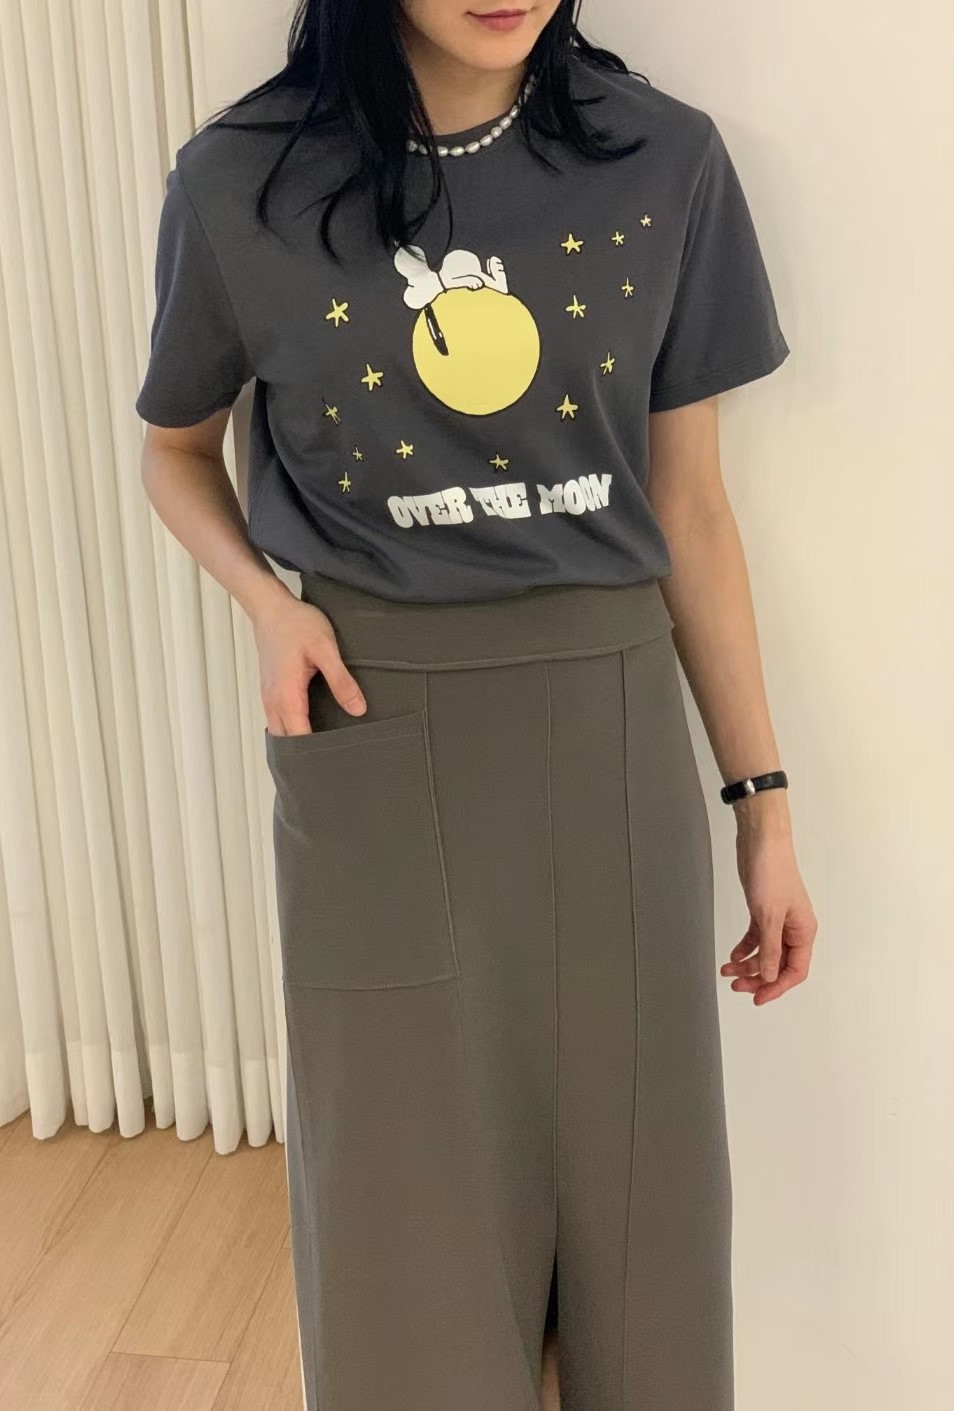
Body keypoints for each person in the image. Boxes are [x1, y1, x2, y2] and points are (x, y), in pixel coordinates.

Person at [134, 3, 819, 1407]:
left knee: (644, 1210)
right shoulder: (240, 181)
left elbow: (690, 508)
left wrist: (762, 804)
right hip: (376, 730)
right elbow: (174, 451)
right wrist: (269, 605)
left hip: (613, 735)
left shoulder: (662, 159)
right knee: (401, 1211)